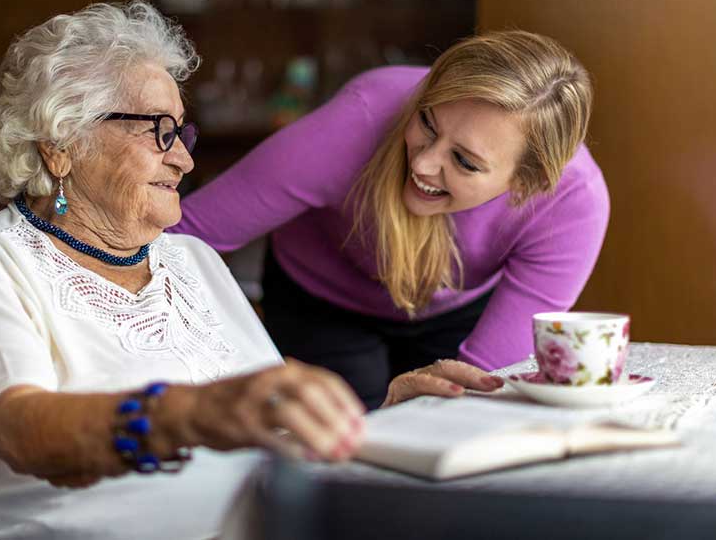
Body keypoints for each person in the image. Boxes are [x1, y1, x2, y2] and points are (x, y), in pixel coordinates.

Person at [0, 1, 503, 540]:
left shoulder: (190, 261)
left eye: (182, 132)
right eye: (159, 131)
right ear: (61, 144)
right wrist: (192, 412)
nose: (185, 158)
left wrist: (377, 426)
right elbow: (22, 431)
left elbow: (271, 437)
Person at [172, 31, 609, 408]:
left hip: (455, 310)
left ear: (526, 184)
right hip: (322, 299)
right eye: (428, 123)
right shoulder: (359, 119)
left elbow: (482, 387)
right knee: (336, 450)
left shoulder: (573, 203)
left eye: (463, 161)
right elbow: (181, 234)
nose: (423, 164)